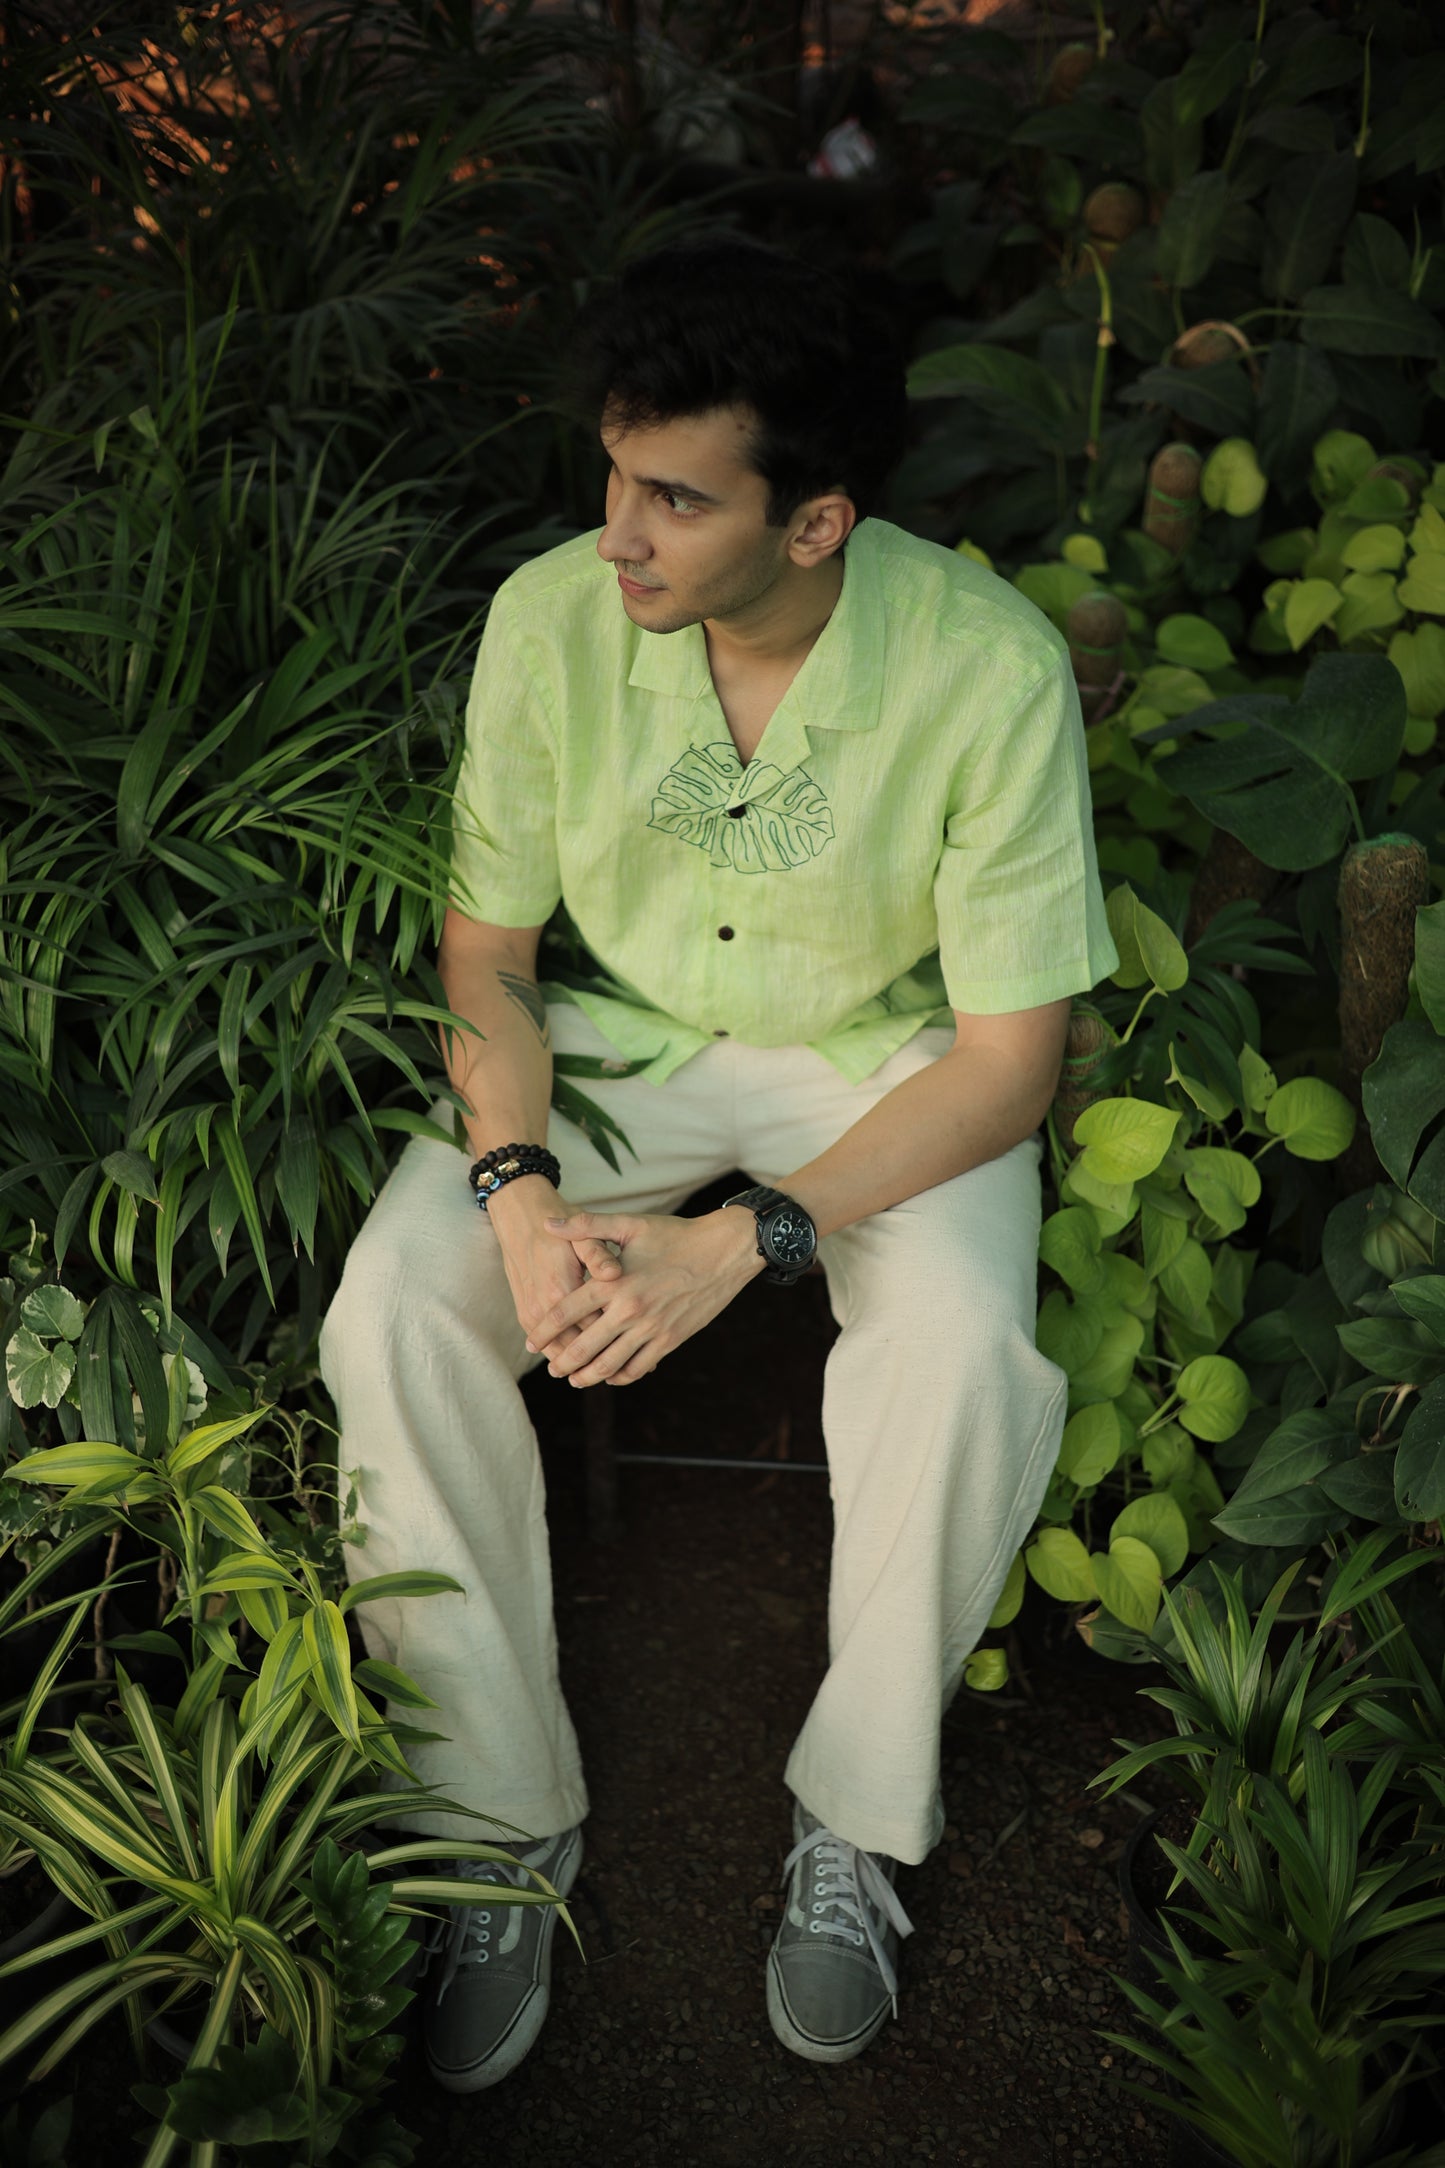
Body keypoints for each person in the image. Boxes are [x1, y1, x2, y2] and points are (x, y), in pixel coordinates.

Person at [318, 233, 1117, 2094]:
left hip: (886, 1062)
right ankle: (498, 1816)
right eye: (613, 473)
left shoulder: (983, 668)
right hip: (623, 1045)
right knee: (392, 1314)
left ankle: (854, 1822)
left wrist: (739, 1243)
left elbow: (1008, 1064)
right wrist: (518, 1194)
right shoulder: (549, 620)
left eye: (675, 497)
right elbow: (486, 960)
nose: (621, 533)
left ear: (818, 518)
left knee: (960, 1357)